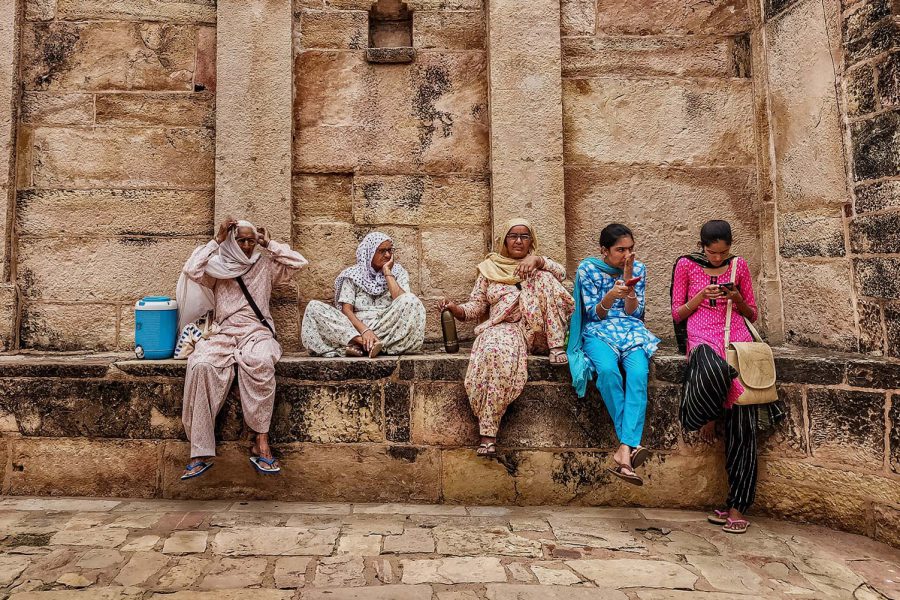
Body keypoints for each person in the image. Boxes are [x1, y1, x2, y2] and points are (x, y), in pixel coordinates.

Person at [670, 219, 784, 533]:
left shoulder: (740, 267)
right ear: (701, 246)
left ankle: (736, 506)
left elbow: (753, 314)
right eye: (711, 252)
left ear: (730, 247)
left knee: (743, 430)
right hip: (703, 340)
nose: (718, 259)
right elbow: (677, 313)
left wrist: (736, 299)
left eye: (723, 253)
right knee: (712, 369)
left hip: (738, 344)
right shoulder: (685, 266)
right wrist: (701, 296)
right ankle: (705, 414)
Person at [177, 218, 308, 480]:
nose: (247, 245)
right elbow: (191, 270)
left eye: (251, 240)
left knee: (261, 362)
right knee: (201, 364)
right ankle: (200, 450)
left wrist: (268, 243)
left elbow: (299, 263)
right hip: (223, 332)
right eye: (241, 240)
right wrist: (216, 239)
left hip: (257, 332)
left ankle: (261, 441)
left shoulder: (264, 264)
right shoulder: (217, 265)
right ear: (231, 240)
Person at [439, 218, 574, 456]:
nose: (519, 241)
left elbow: (561, 275)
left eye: (524, 236)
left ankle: (556, 346)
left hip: (539, 330)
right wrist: (456, 309)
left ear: (531, 241)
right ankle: (488, 435)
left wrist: (538, 261)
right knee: (493, 351)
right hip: (505, 327)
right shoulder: (489, 269)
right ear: (504, 240)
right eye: (513, 236)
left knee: (544, 278)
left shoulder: (539, 265)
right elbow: (478, 306)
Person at [567, 224, 660, 485]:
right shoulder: (589, 269)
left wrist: (629, 285)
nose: (627, 255)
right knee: (607, 372)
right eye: (620, 250)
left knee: (638, 374)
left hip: (631, 331)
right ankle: (629, 445)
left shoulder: (638, 269)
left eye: (630, 249)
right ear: (604, 250)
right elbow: (592, 315)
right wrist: (610, 295)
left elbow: (635, 313)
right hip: (599, 331)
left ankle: (623, 452)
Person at [302, 232, 425, 358]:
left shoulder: (398, 272)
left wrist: (387, 272)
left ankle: (364, 346)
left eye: (390, 250)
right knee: (313, 307)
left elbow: (402, 299)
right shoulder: (352, 274)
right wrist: (365, 331)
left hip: (387, 327)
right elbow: (347, 310)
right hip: (355, 329)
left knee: (411, 300)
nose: (388, 255)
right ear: (369, 252)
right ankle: (364, 342)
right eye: (382, 251)